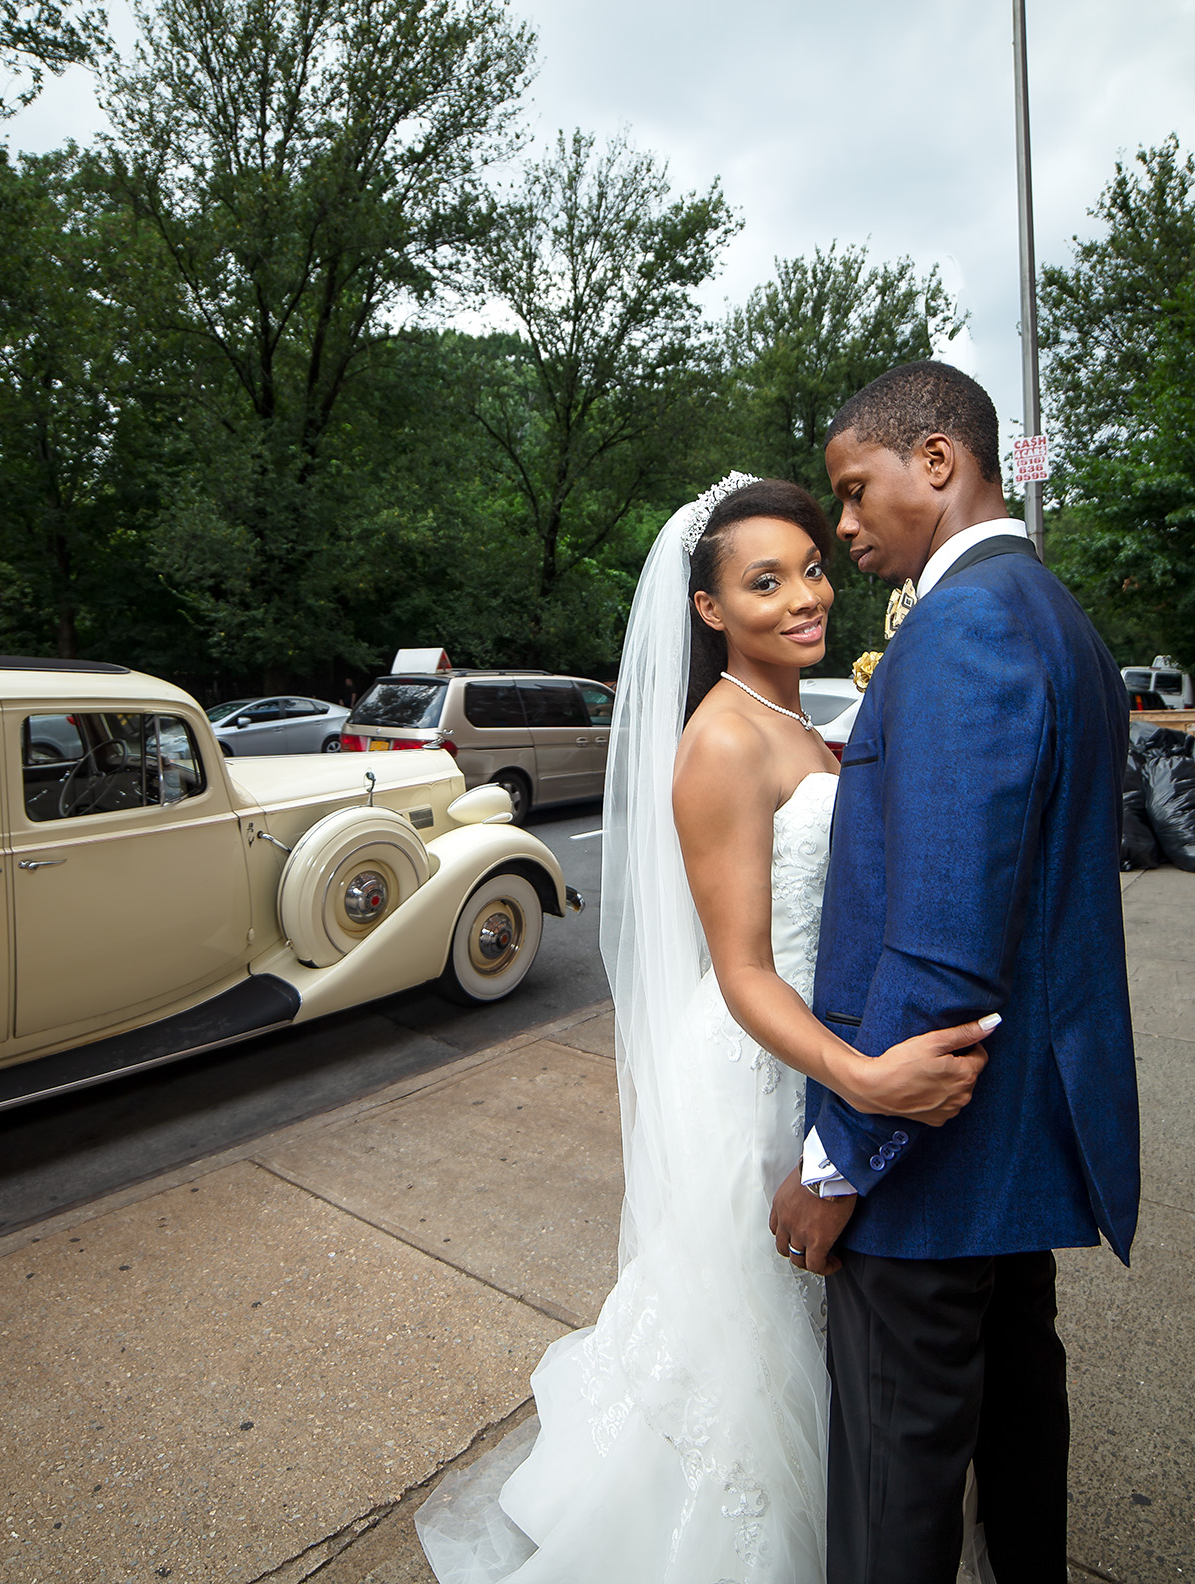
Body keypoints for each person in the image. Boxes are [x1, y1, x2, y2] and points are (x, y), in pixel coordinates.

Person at [416, 473, 996, 1582]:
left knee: (807, 1341)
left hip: (807, 1052)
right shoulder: (723, 742)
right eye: (765, 582)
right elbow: (740, 972)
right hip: (758, 1070)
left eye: (813, 569)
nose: (804, 597)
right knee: (752, 1337)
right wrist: (863, 1081)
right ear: (710, 610)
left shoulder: (800, 715)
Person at [773, 361, 1142, 1583]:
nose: (843, 522)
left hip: (936, 1163)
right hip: (1020, 1150)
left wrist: (838, 1163)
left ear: (938, 461)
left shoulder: (968, 626)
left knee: (897, 1490)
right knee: (1022, 1427)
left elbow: (941, 938)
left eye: (853, 487)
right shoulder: (1058, 617)